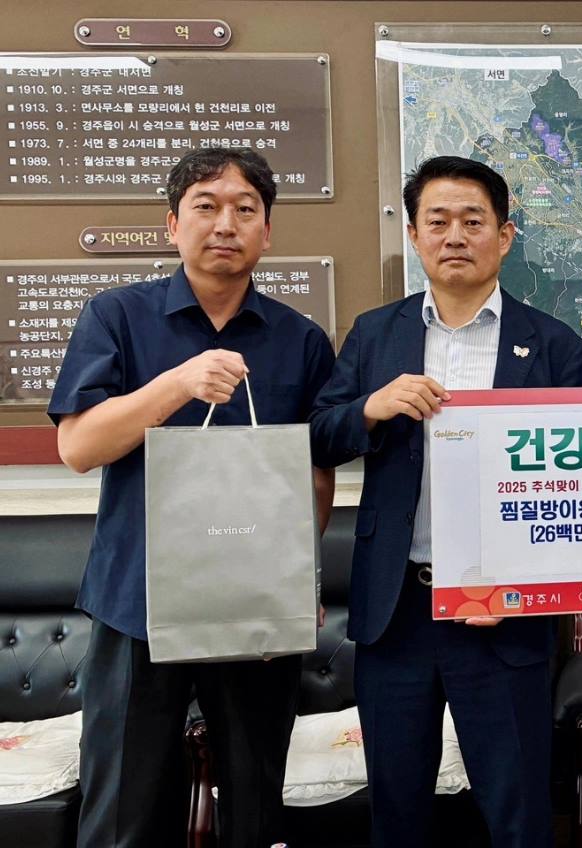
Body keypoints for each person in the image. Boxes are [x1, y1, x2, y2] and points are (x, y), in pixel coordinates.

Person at [49, 147, 337, 847]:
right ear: (173, 224)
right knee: (123, 813)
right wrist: (177, 384)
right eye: (206, 207)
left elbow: (314, 472)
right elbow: (79, 447)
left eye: (245, 209)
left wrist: (295, 579)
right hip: (137, 602)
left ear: (267, 231)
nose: (225, 224)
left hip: (255, 606)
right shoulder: (116, 316)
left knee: (254, 808)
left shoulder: (300, 340)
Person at [309, 155, 582, 847]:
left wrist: (530, 583)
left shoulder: (554, 345)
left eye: (473, 220)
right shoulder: (376, 333)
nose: (455, 236)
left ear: (505, 235)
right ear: (413, 235)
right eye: (437, 222)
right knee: (397, 807)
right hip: (396, 606)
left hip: (504, 607)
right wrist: (369, 408)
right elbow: (317, 437)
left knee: (518, 808)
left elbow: (576, 480)